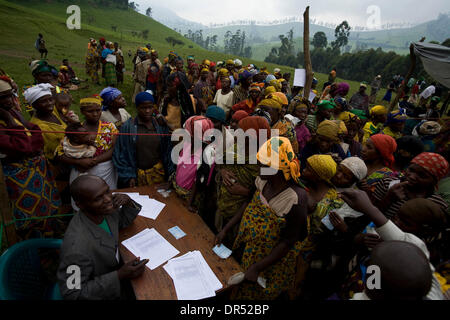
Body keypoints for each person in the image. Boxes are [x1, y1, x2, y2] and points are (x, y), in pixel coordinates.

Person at [217, 137, 309, 300]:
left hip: (269, 261)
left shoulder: (295, 199)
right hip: (249, 248)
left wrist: (258, 267)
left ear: (276, 168)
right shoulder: (261, 181)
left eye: (263, 165)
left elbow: (288, 241)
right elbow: (248, 203)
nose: (258, 167)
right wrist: (226, 228)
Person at [340, 189, 446, 300]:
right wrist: (371, 210)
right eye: (395, 217)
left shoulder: (368, 288)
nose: (396, 222)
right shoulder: (430, 290)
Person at [57, 175, 147, 300]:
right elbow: (72, 294)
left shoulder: (102, 211)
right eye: (98, 198)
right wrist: (119, 276)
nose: (108, 199)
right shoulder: (75, 250)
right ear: (80, 205)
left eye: (107, 191)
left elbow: (121, 222)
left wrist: (128, 202)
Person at [0, 77, 64, 240]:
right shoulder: (6, 118)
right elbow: (22, 147)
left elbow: (36, 138)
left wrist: (30, 147)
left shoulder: (12, 113)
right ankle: (36, 250)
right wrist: (10, 122)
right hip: (18, 178)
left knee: (46, 206)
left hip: (37, 171)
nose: (9, 101)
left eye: (10, 95)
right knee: (29, 215)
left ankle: (51, 238)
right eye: (3, 97)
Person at [215, 116, 271, 245]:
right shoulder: (234, 148)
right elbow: (219, 164)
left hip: (240, 219)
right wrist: (222, 172)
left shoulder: (264, 164)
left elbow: (263, 198)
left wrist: (246, 192)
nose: (236, 135)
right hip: (222, 207)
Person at [56, 96, 118, 207]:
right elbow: (59, 154)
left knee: (106, 201)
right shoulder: (75, 130)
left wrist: (94, 160)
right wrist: (79, 162)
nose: (95, 114)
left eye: (98, 110)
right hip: (80, 171)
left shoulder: (109, 127)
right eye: (90, 111)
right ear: (82, 111)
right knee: (84, 201)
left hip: (105, 171)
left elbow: (114, 148)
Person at [113, 92, 175, 188]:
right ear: (137, 108)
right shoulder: (128, 127)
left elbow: (168, 151)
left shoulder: (160, 126)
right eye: (143, 108)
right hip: (137, 177)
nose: (147, 111)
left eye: (150, 107)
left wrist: (170, 175)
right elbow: (121, 153)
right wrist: (129, 176)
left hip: (158, 174)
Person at [373, 152, 449, 220]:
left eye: (422, 175)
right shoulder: (387, 183)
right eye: (411, 170)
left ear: (434, 181)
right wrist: (389, 199)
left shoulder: (437, 205)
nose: (412, 176)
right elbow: (368, 216)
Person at [25, 84, 67, 162]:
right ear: (34, 105)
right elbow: (54, 153)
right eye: (43, 101)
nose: (49, 103)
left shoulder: (51, 111)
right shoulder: (41, 126)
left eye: (50, 99)